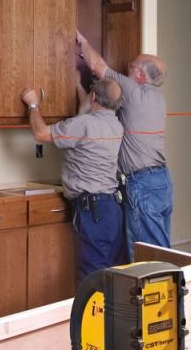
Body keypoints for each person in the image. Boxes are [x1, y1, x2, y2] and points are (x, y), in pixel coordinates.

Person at [77, 31, 173, 262]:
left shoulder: (133, 91)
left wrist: (81, 40)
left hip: (141, 184)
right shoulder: (158, 99)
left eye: (131, 66)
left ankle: (160, 287)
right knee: (159, 252)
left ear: (140, 75)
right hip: (161, 182)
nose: (127, 69)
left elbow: (97, 66)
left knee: (147, 260)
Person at [21, 76, 124, 284]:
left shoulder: (83, 124)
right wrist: (77, 84)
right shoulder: (116, 125)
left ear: (93, 97)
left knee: (92, 277)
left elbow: (41, 133)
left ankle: (91, 308)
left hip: (92, 210)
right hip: (112, 208)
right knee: (110, 274)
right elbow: (84, 122)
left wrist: (33, 104)